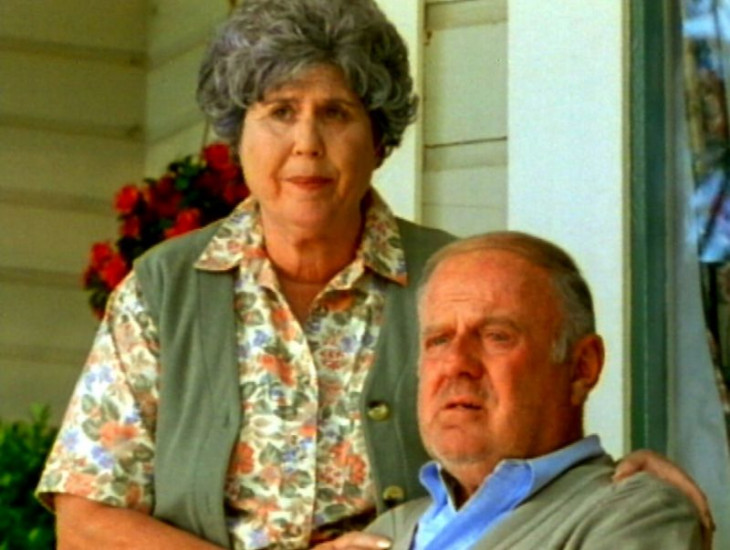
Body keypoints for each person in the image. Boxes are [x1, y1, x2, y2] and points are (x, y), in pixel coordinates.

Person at [36, 1, 711, 549]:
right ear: (238, 134)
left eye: (336, 112)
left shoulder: (453, 284)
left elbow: (528, 437)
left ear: (379, 138)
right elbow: (87, 520)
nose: (307, 143)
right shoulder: (165, 289)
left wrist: (623, 486)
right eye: (279, 111)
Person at [324, 232, 705, 550]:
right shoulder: (389, 531)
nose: (456, 363)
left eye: (496, 336)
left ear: (581, 368)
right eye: (439, 340)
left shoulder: (636, 515)